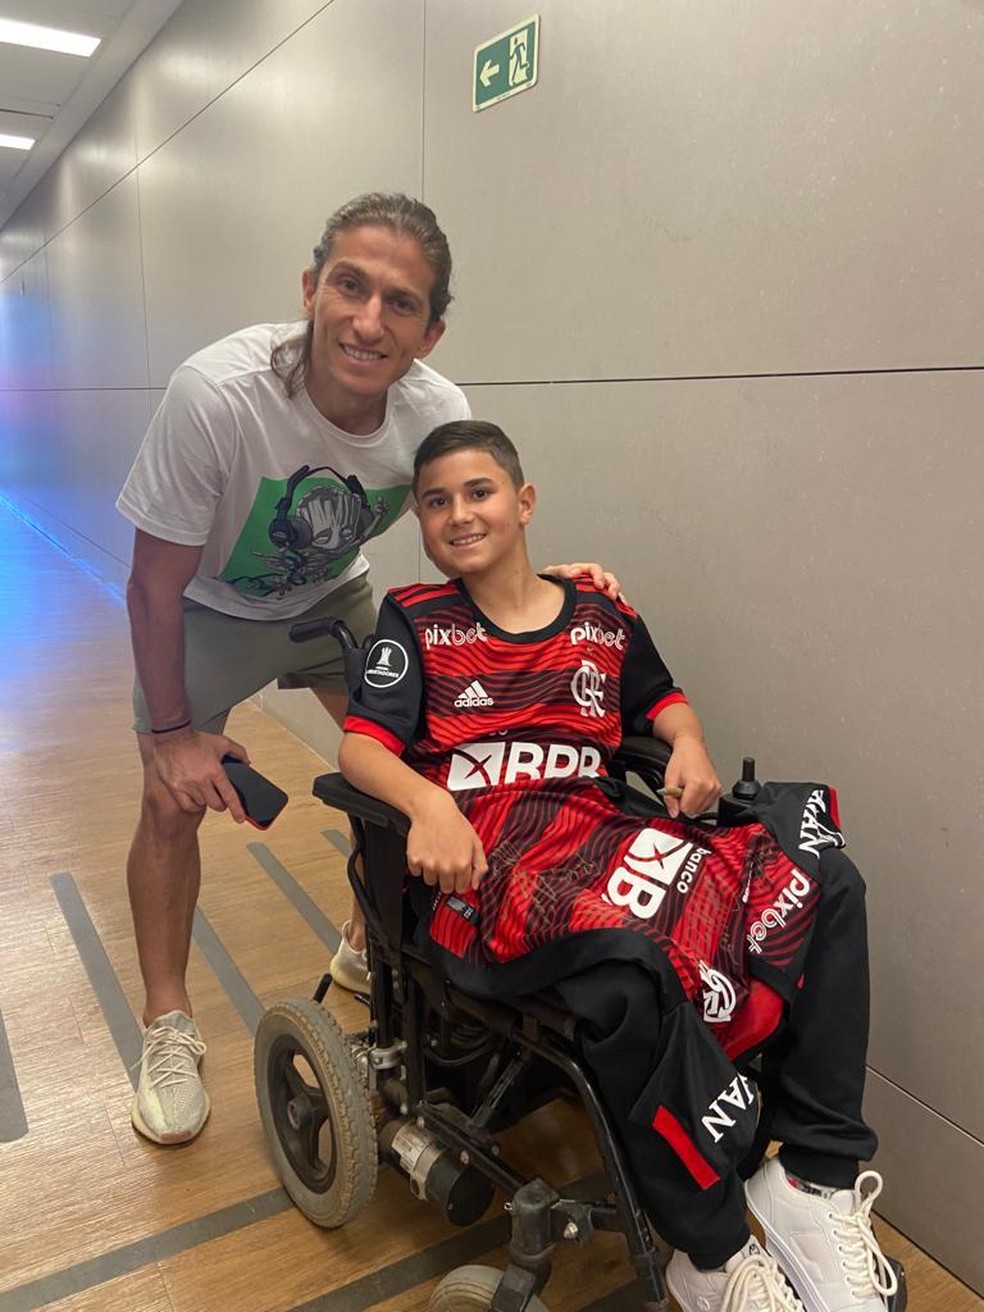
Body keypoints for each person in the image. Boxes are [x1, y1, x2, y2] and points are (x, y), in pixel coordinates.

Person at [338, 420, 901, 1312]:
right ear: (421, 520)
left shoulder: (601, 611)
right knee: (627, 968)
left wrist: (689, 743)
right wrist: (428, 802)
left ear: (524, 504)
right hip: (489, 860)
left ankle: (814, 1182)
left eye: (479, 492)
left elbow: (661, 699)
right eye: (436, 501)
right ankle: (709, 1257)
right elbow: (361, 749)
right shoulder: (416, 618)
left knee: (821, 877)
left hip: (601, 832)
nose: (459, 514)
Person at [116, 194, 616, 1147]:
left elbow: (460, 534)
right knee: (169, 800)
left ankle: (367, 944)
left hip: (330, 599)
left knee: (428, 759)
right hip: (205, 609)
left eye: (398, 303)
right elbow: (152, 582)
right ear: (310, 289)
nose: (366, 319)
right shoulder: (215, 395)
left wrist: (542, 583)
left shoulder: (434, 408)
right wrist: (172, 736)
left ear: (429, 332)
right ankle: (168, 1024)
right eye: (349, 286)